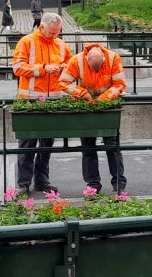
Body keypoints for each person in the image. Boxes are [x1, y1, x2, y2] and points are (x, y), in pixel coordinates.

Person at [12, 12, 71, 196]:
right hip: (30, 100)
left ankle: (41, 180)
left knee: (46, 144)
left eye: (58, 32)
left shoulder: (61, 44)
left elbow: (71, 66)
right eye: (52, 32)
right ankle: (23, 183)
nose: (55, 35)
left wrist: (64, 69)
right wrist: (43, 69)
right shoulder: (27, 42)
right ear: (42, 26)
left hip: (53, 100)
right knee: (27, 144)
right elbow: (17, 68)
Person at [59, 44, 128, 194]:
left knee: (113, 146)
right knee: (88, 147)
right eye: (92, 68)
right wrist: (81, 93)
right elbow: (63, 82)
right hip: (86, 105)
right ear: (87, 60)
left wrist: (103, 99)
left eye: (99, 68)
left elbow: (120, 84)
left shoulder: (112, 58)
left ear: (103, 60)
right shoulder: (76, 60)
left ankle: (118, 185)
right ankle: (93, 186)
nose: (95, 71)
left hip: (108, 106)